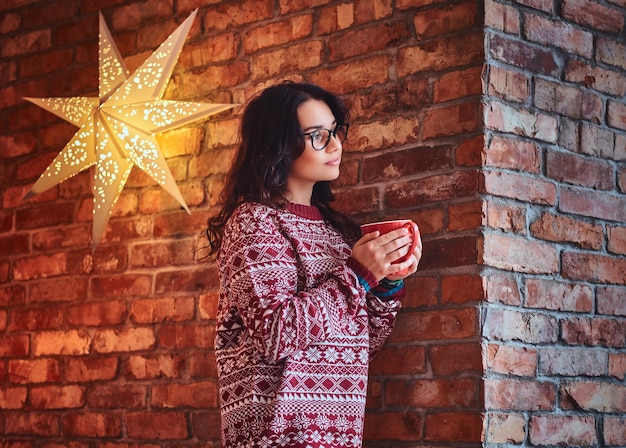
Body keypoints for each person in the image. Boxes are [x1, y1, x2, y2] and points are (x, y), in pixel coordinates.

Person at [206, 81, 422, 448]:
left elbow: (361, 343)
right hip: (275, 435)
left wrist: (385, 283)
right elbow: (275, 334)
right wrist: (358, 275)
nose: (336, 145)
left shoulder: (338, 232)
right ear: (278, 144)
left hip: (339, 432)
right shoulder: (254, 221)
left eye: (335, 132)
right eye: (318, 136)